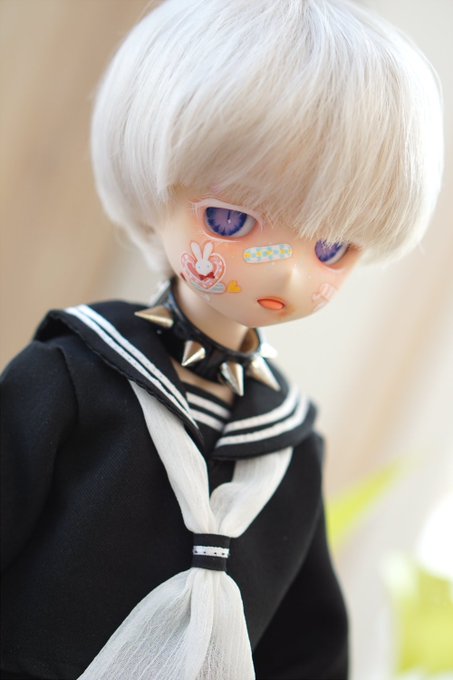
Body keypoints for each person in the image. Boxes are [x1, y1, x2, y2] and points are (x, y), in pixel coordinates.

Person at [0, 1, 443, 678]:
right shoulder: (72, 378)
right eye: (232, 220)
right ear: (152, 189)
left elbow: (306, 645)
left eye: (331, 247)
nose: (288, 271)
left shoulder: (288, 444)